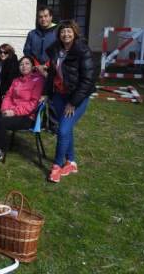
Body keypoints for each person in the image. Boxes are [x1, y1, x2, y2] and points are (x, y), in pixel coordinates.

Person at [45, 20, 95, 183]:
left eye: (69, 31)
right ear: (59, 34)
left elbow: (88, 80)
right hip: (60, 94)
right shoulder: (55, 50)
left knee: (63, 130)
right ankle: (71, 161)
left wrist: (73, 103)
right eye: (63, 31)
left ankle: (57, 166)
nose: (66, 34)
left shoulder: (82, 51)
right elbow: (52, 73)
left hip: (76, 97)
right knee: (67, 129)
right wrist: (47, 93)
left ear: (75, 33)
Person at [0, 56, 44, 171]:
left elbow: (33, 104)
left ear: (33, 67)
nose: (24, 66)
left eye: (27, 63)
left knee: (1, 122)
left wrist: (14, 112)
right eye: (21, 64)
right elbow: (8, 96)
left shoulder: (38, 80)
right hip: (11, 113)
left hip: (27, 116)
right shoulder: (16, 80)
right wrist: (4, 109)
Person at [23, 5, 57, 75]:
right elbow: (27, 51)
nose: (43, 19)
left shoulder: (57, 33)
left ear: (51, 17)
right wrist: (37, 65)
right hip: (34, 69)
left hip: (52, 70)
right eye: (40, 17)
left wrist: (47, 65)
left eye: (45, 16)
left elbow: (59, 52)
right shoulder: (32, 34)